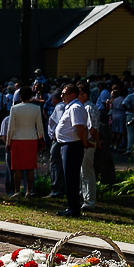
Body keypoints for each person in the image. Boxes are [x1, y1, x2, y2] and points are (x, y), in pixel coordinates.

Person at [55, 84, 89, 218]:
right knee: (69, 177)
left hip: (72, 146)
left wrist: (84, 142)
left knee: (71, 177)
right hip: (67, 145)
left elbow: (79, 127)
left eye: (64, 93)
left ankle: (73, 208)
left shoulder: (75, 108)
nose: (61, 96)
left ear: (73, 95)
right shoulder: (70, 107)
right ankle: (71, 205)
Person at [5, 86, 43, 198]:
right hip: (31, 138)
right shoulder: (36, 108)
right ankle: (28, 191)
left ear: (20, 96)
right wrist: (41, 139)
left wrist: (8, 141)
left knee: (17, 167)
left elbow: (11, 127)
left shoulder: (15, 108)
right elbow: (40, 126)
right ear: (31, 96)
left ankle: (17, 191)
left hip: (17, 138)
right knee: (30, 167)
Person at [78, 84, 100, 210]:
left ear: (84, 95)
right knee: (83, 172)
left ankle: (89, 201)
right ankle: (84, 196)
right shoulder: (85, 107)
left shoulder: (89, 108)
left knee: (87, 173)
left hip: (87, 144)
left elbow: (92, 127)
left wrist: (86, 141)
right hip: (86, 143)